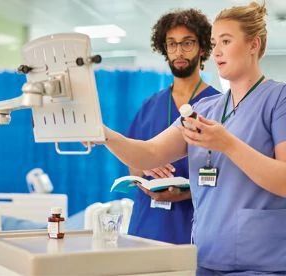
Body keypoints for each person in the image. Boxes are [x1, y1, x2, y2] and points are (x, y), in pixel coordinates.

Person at [103, 2, 286, 274]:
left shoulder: (278, 99)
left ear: (253, 45)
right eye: (215, 43)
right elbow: (148, 154)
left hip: (261, 263)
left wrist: (227, 144)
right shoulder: (206, 109)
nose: (218, 51)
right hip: (203, 260)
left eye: (226, 41)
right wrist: (101, 133)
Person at [126, 9, 220, 244]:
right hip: (147, 226)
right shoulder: (150, 105)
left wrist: (187, 193)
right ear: (164, 48)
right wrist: (145, 171)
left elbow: (230, 176)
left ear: (202, 48)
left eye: (187, 43)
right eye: (172, 44)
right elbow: (132, 166)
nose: (179, 52)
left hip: (195, 227)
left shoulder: (219, 105)